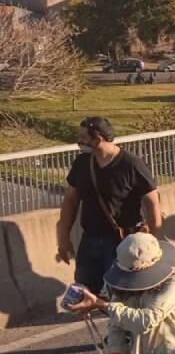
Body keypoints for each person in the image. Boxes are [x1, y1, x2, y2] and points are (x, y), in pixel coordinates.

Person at [57, 117, 162, 296]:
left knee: (121, 295)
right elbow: (70, 200)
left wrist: (155, 240)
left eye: (83, 137)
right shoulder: (82, 163)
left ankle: (120, 323)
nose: (79, 142)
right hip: (89, 241)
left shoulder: (131, 164)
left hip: (122, 242)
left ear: (98, 139)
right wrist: (63, 237)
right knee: (86, 293)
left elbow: (152, 202)